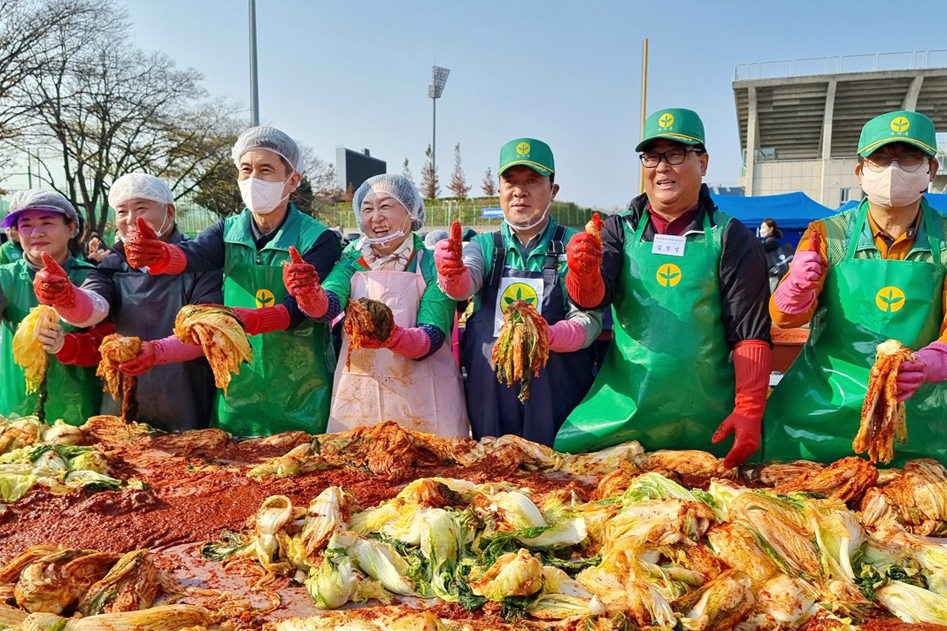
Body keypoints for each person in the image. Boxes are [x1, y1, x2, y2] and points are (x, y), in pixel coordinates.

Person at [557, 108, 772, 468]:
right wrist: (582, 271)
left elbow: (749, 329)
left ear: (702, 162)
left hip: (708, 420)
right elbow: (592, 299)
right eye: (652, 156)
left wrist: (749, 407)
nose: (662, 167)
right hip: (623, 418)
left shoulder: (730, 236)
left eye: (676, 154)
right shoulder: (617, 230)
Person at [120, 126, 341, 436]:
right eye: (245, 170)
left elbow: (301, 309)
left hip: (302, 387)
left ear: (292, 181)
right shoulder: (227, 230)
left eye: (266, 170)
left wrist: (246, 318)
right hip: (238, 385)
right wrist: (159, 255)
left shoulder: (319, 238)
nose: (253, 180)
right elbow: (193, 255)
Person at [764, 110, 947, 464]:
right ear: (861, 171)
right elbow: (785, 320)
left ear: (931, 170)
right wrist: (793, 293)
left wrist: (931, 362)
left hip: (918, 420)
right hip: (821, 412)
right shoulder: (826, 234)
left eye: (909, 157)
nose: (893, 168)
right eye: (880, 157)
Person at [434, 138, 602, 446]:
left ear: (553, 190)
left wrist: (551, 335)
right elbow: (464, 285)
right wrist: (451, 272)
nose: (519, 191)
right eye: (510, 182)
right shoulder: (483, 246)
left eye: (532, 181)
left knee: (557, 477)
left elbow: (589, 318)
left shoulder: (574, 246)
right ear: (498, 190)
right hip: (491, 392)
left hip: (556, 390)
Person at [33, 173, 222, 432]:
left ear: (170, 211)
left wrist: (156, 352)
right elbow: (93, 307)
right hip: (121, 399)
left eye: (141, 208)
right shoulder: (113, 263)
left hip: (186, 398)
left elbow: (207, 331)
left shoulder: (198, 261)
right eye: (122, 211)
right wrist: (66, 297)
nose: (131, 220)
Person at [285, 174, 468, 437]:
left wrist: (394, 337)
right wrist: (308, 294)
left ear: (411, 211)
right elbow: (329, 305)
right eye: (367, 209)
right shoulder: (351, 262)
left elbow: (432, 334)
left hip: (427, 403)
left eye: (385, 206)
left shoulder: (429, 264)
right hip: (361, 400)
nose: (376, 218)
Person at [0, 189, 102, 424]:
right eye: (26, 226)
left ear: (72, 228)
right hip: (17, 413)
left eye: (47, 222)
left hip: (82, 411)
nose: (36, 233)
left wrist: (64, 344)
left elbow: (103, 342)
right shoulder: (7, 277)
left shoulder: (92, 278)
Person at [759, 219, 794, 293]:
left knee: (770, 296)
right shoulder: (770, 241)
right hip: (771, 274)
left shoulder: (771, 241)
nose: (761, 230)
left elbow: (760, 247)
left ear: (771, 229)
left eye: (763, 228)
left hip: (774, 275)